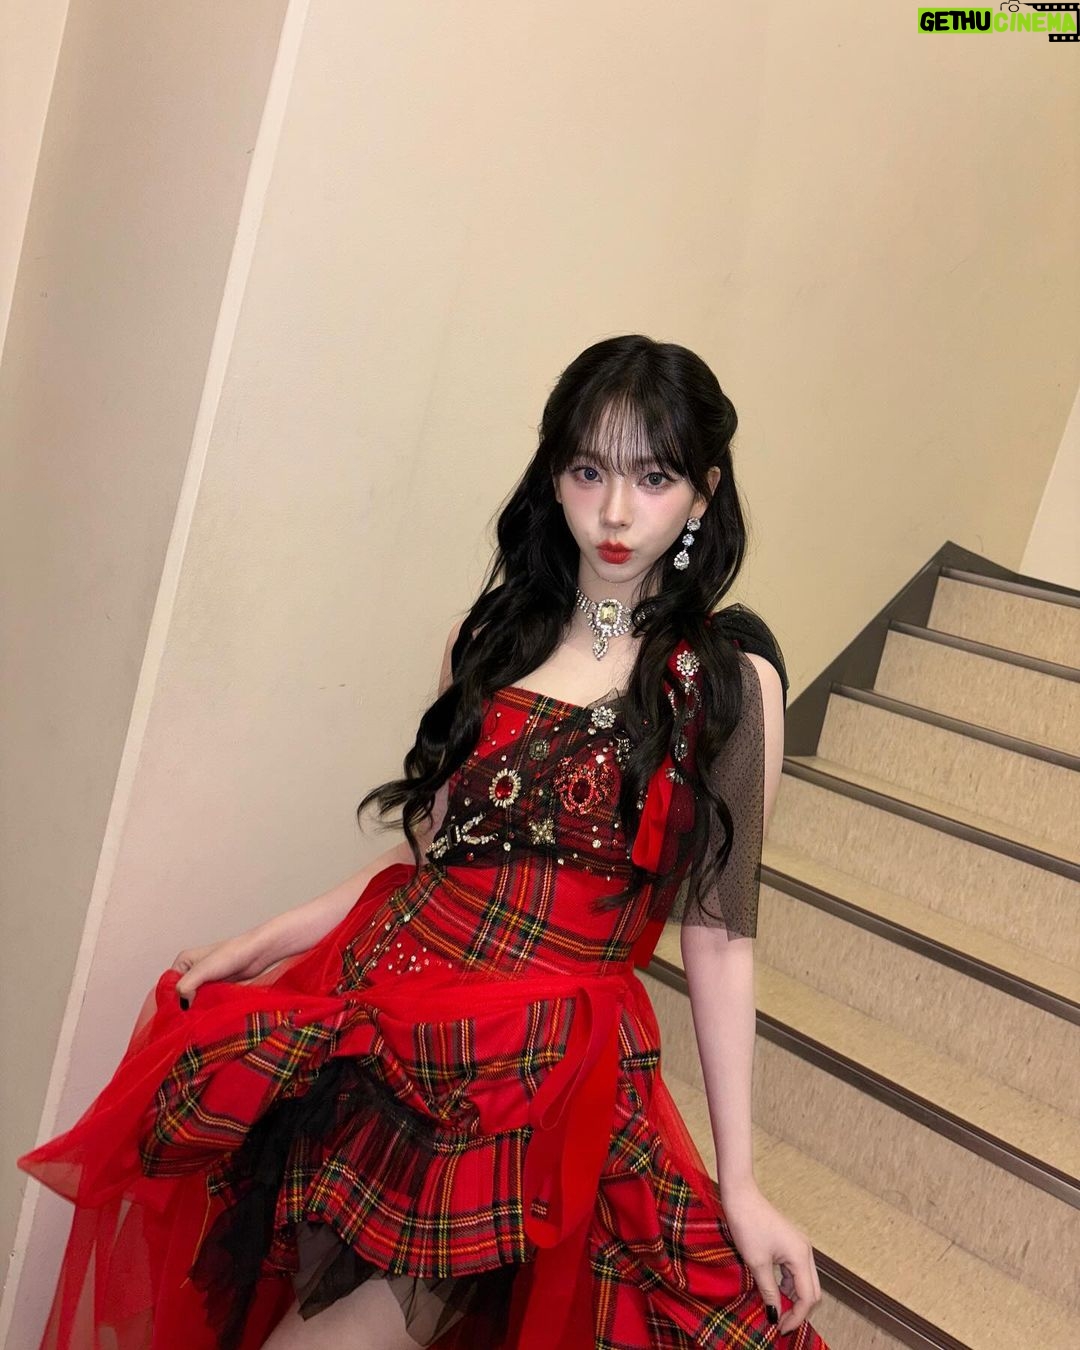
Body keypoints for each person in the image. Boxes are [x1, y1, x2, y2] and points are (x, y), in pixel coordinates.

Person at [19, 334, 829, 1349]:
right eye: (589, 472)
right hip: (395, 1028)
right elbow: (432, 865)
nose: (616, 513)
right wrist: (263, 942)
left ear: (703, 493)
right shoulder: (485, 642)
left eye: (653, 479)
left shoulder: (726, 684)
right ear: (554, 477)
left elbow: (719, 935)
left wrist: (740, 1180)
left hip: (544, 1073)